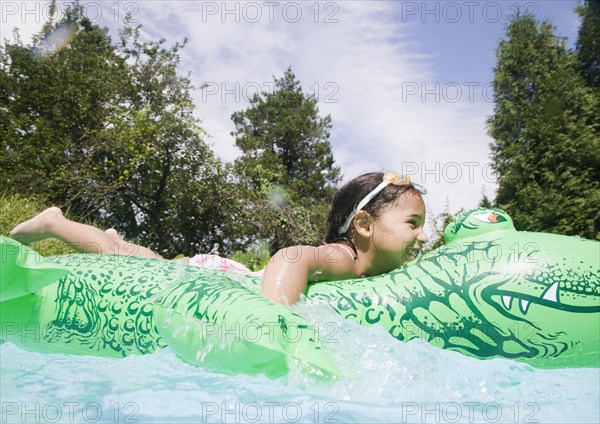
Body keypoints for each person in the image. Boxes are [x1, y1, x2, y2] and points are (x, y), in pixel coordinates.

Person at [9, 171, 428, 305]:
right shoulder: (342, 258)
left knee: (138, 254)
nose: (424, 235)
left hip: (226, 274)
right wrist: (276, 320)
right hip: (219, 280)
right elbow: (289, 257)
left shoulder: (367, 270)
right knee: (130, 258)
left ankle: (106, 238)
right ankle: (54, 222)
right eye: (413, 223)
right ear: (365, 226)